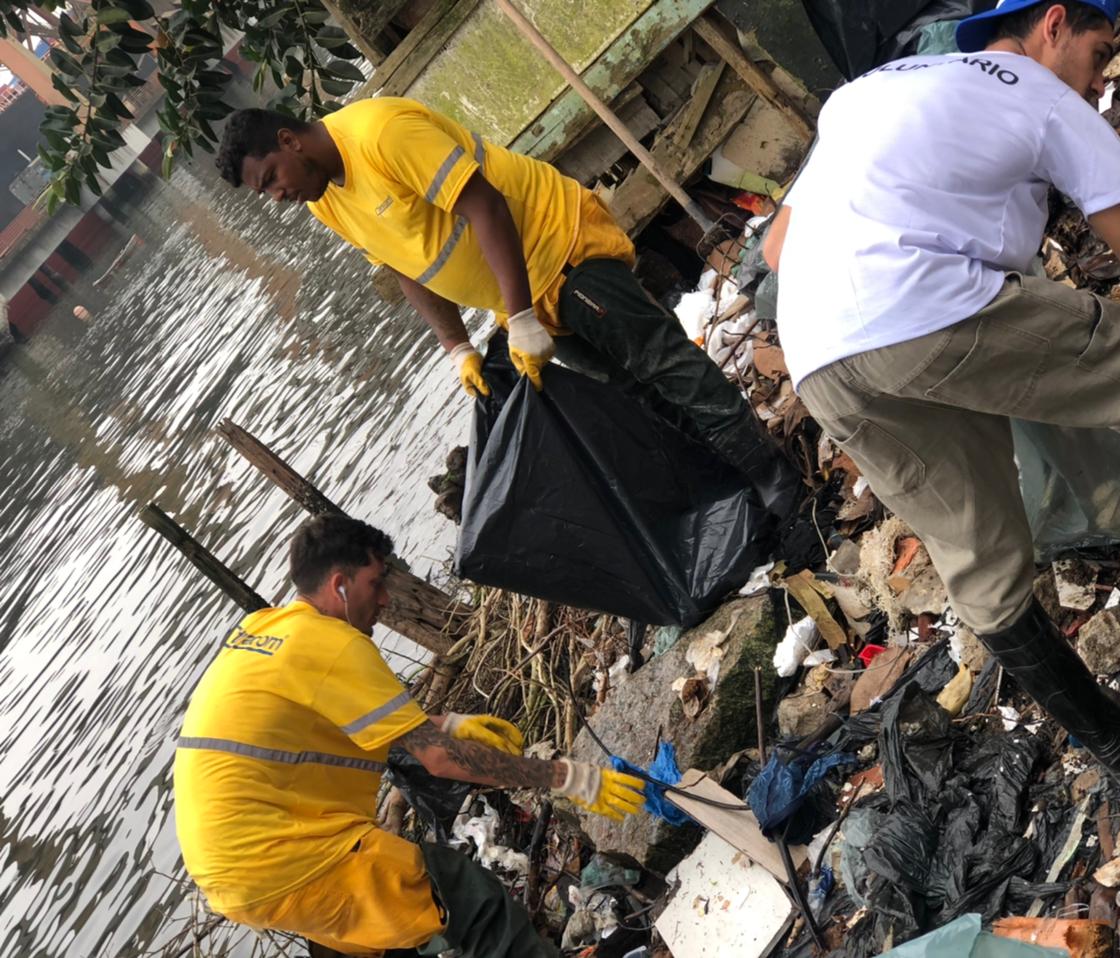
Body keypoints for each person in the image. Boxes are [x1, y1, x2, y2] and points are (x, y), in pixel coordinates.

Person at [764, 0, 1120, 788]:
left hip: (819, 355)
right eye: (1100, 54)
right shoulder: (1040, 95)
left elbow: (775, 248)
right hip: (914, 305)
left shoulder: (875, 90)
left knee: (977, 553)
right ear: (1054, 23)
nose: (1100, 80)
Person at [212, 100, 798, 518]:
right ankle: (731, 478)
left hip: (558, 247)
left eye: (271, 179)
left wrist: (519, 317)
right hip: (518, 300)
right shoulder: (326, 200)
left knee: (662, 362)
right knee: (633, 393)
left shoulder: (382, 134)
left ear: (289, 141)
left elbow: (486, 208)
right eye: (265, 193)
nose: (278, 197)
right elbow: (403, 265)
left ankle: (771, 471)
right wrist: (456, 346)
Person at [173, 514, 645, 957]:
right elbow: (441, 762)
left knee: (377, 940)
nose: (384, 601)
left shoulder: (266, 631)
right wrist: (567, 777)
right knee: (467, 897)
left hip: (229, 872)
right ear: (340, 585)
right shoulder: (334, 647)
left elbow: (349, 727)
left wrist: (452, 724)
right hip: (286, 859)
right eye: (376, 583)